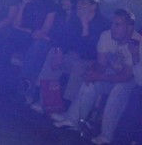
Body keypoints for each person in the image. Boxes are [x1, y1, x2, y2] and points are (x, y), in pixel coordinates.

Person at [51, 9, 140, 144]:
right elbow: (101, 63)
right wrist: (93, 73)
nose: (113, 28)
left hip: (132, 82)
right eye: (112, 24)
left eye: (118, 25)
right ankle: (73, 120)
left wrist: (99, 76)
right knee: (91, 82)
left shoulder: (137, 44)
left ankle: (106, 136)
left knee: (118, 90)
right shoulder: (106, 36)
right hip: (112, 75)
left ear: (129, 28)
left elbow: (126, 76)